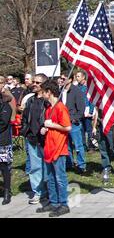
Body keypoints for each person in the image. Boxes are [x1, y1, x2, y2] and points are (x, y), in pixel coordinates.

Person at [36, 80, 71, 217]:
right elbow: (50, 125)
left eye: (43, 92)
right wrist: (46, 128)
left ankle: (63, 204)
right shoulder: (49, 108)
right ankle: (54, 201)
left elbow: (67, 127)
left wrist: (52, 125)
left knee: (60, 177)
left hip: (59, 147)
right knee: (49, 177)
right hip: (49, 147)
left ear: (49, 92)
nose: (42, 94)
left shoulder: (60, 107)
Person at [20, 73, 49, 205]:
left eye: (38, 83)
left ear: (44, 84)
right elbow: (25, 117)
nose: (35, 84)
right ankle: (38, 192)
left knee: (48, 166)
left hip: (45, 138)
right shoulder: (31, 100)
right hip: (32, 138)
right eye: (34, 82)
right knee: (35, 167)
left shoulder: (48, 101)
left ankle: (49, 191)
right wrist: (25, 130)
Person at [60, 73, 86, 173]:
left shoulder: (76, 91)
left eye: (63, 78)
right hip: (63, 123)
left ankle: (81, 165)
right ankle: (69, 163)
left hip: (73, 123)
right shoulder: (61, 91)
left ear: (70, 79)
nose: (61, 80)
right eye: (60, 78)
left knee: (78, 145)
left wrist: (74, 118)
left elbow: (81, 109)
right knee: (67, 145)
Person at [93, 112, 114, 183]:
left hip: (112, 125)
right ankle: (106, 168)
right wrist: (94, 126)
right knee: (103, 149)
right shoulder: (99, 101)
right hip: (100, 125)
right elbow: (96, 112)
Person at [75, 71, 96, 152]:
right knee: (81, 129)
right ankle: (83, 146)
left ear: (83, 77)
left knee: (89, 129)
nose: (77, 78)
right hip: (80, 112)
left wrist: (91, 110)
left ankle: (91, 146)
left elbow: (91, 99)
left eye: (78, 76)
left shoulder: (88, 87)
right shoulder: (76, 87)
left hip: (87, 111)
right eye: (76, 76)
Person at [0, 90, 13, 204]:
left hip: (2, 141)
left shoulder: (6, 106)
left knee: (4, 167)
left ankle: (7, 191)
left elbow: (3, 123)